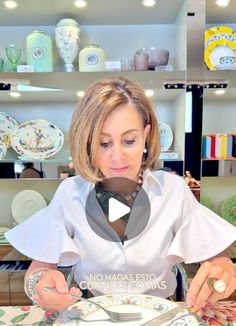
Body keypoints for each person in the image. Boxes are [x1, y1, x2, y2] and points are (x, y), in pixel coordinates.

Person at [5, 76, 236, 313]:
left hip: (162, 319)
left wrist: (224, 273)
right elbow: (38, 269)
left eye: (129, 141)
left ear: (146, 135)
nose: (117, 157)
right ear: (87, 144)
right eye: (104, 143)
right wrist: (40, 287)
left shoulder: (173, 190)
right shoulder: (70, 193)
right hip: (90, 317)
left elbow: (219, 260)